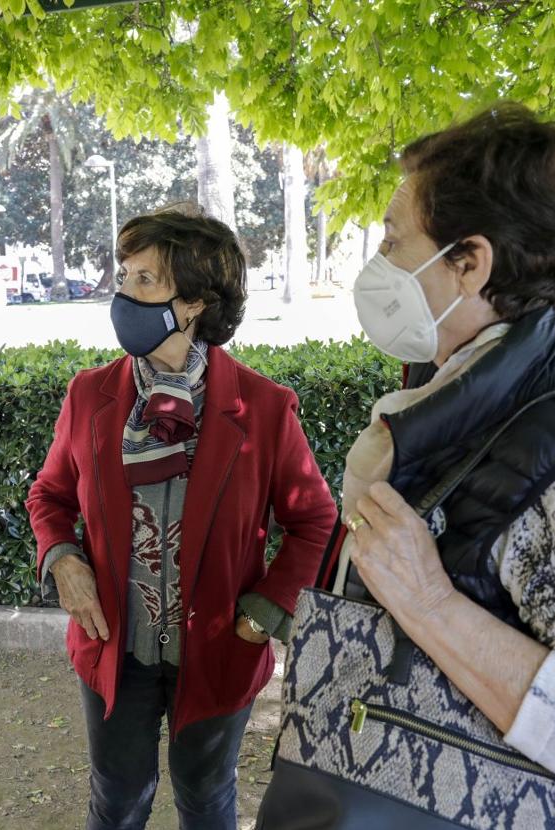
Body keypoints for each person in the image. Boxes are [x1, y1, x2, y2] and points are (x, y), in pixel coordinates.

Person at [259, 104, 555, 825]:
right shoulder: (484, 394)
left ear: (471, 262)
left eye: (395, 240)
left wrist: (429, 603)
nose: (378, 265)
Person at [26, 205, 338, 830]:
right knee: (116, 799)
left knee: (205, 797)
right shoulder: (91, 395)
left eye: (146, 280)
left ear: (194, 302)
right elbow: (50, 496)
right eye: (125, 275)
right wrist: (63, 559)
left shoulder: (265, 408)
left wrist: (264, 611)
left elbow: (316, 520)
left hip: (221, 648)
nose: (125, 293)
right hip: (115, 644)